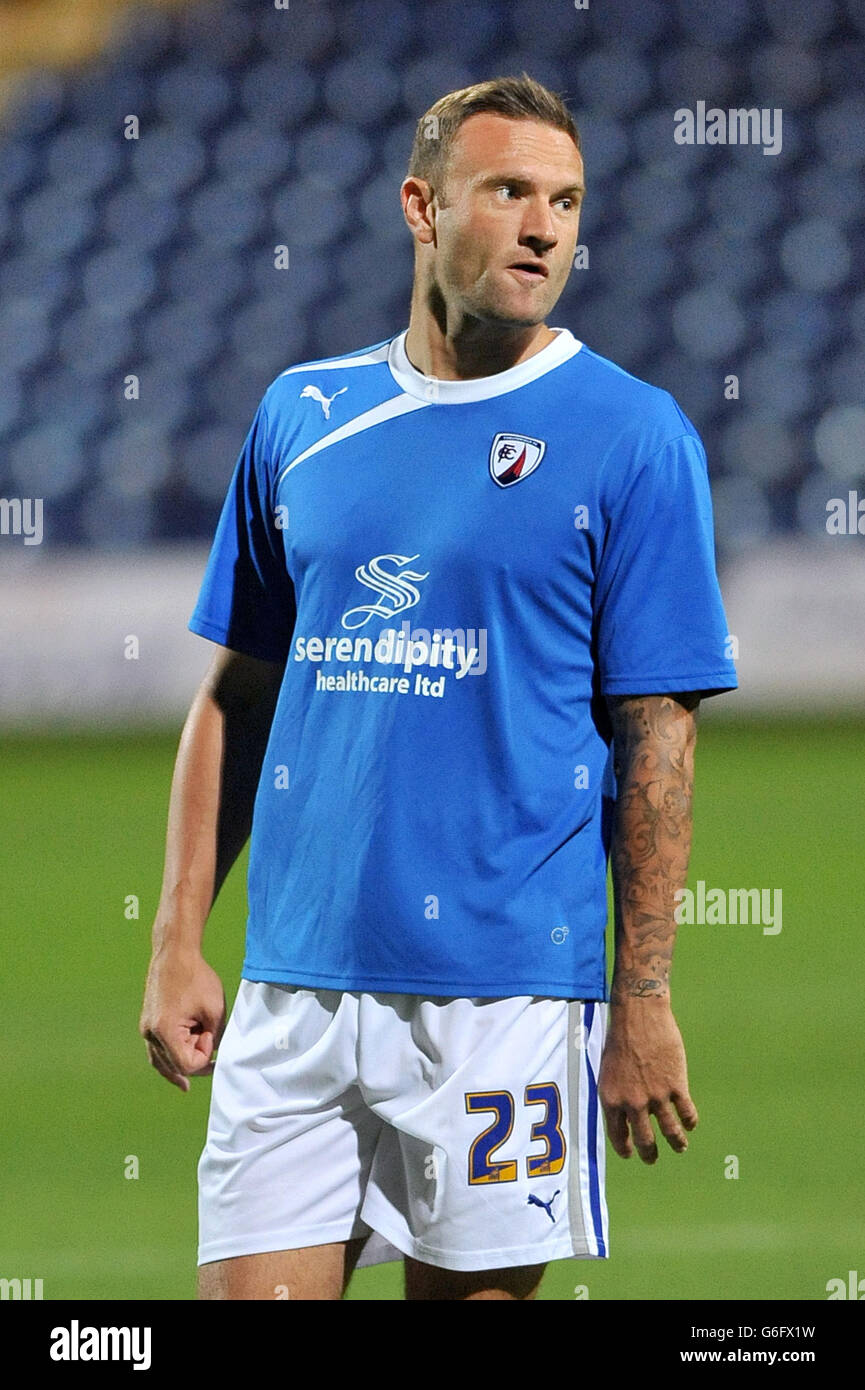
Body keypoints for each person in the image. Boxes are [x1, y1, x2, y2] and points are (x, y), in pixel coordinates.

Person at [140, 74, 737, 1302]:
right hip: (294, 985)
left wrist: (643, 998)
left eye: (565, 200)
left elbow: (657, 741)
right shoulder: (303, 412)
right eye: (507, 189)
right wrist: (175, 940)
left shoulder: (632, 434)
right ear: (420, 206)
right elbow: (234, 699)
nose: (542, 226)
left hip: (505, 998)